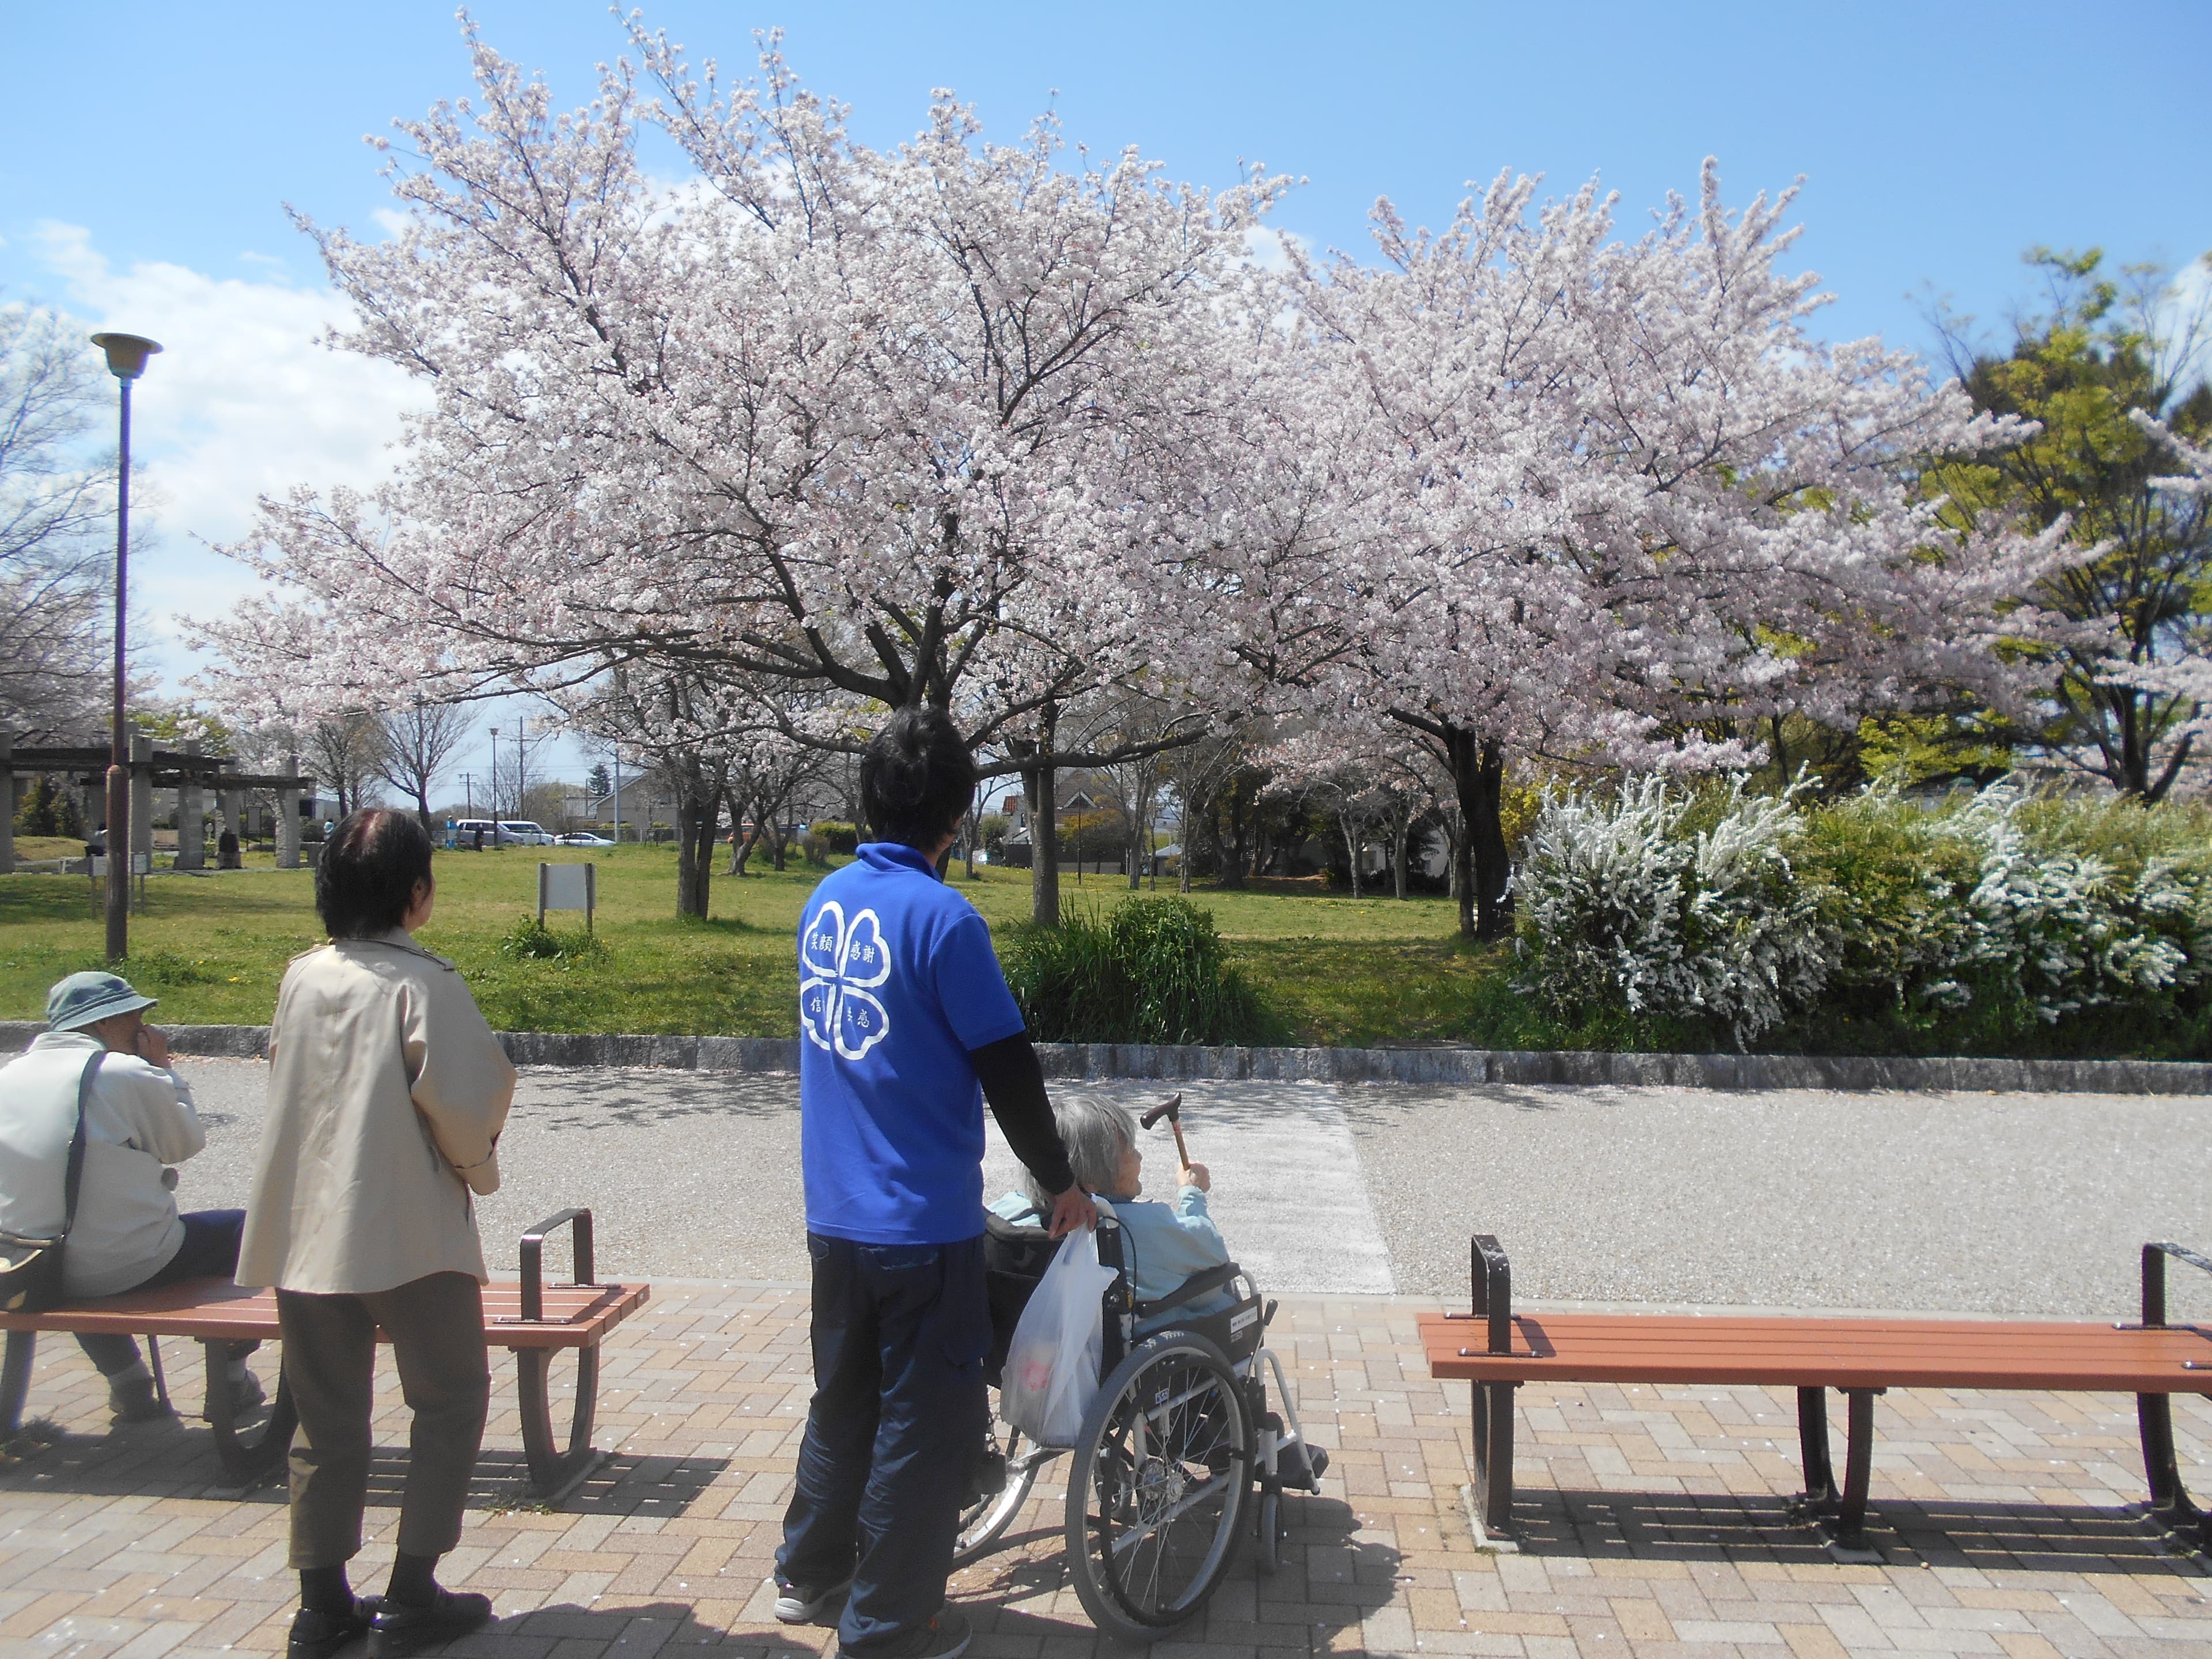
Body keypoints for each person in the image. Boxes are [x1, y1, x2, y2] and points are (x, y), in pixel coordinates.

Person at [776, 707, 1097, 1659]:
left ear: (869, 799)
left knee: (844, 1398)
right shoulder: (945, 921)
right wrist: (1059, 1183)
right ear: (956, 818)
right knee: (924, 1422)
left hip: (834, 1216)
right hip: (921, 1225)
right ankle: (888, 1624)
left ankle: (809, 1571)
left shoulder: (823, 902)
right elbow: (1008, 1070)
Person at [237, 808, 516, 1659]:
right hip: (404, 1227)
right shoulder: (422, 982)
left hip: (303, 1230)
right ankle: (409, 1592)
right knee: (451, 1398)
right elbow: (466, 1104)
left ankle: (321, 1603)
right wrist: (478, 1172)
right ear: (417, 894)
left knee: (325, 1419)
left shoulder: (302, 977)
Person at [0, 971, 256, 1420]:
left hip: (30, 1267)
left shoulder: (9, 1074)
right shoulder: (123, 1072)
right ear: (103, 1024)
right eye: (135, 1017)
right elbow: (184, 1145)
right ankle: (231, 1379)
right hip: (122, 1266)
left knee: (75, 1246)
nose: (144, 1029)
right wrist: (163, 1069)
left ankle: (129, 1382)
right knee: (252, 1231)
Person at [988, 1096, 1235, 1335]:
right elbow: (1213, 1253)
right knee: (1226, 1287)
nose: (1140, 1157)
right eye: (1130, 1150)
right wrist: (1191, 1194)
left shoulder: (1004, 1213)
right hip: (1122, 1351)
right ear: (1092, 1178)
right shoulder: (1127, 1226)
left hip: (1032, 1347)